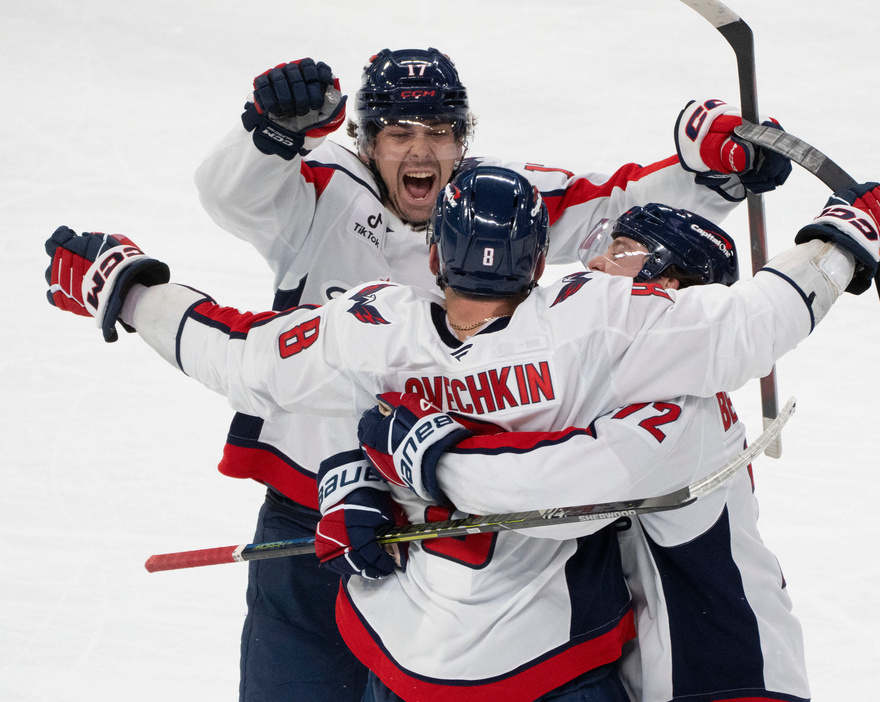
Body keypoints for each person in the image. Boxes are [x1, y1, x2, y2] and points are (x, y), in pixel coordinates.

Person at [44, 161, 880, 700]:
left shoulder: (656, 384)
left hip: (713, 674)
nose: (610, 262)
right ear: (540, 263)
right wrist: (841, 242)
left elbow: (550, 496)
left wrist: (127, 290)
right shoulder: (600, 332)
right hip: (557, 663)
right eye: (607, 252)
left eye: (636, 259)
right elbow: (759, 319)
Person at [192, 47, 793, 700]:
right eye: (399, 133)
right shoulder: (317, 189)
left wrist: (711, 176)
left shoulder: (491, 204)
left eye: (440, 131)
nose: (421, 153)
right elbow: (230, 194)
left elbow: (613, 211)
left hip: (428, 516)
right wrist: (268, 131)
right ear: (365, 139)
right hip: (306, 514)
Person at [357, 200, 880, 700]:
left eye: (619, 253)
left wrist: (427, 452)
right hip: (647, 676)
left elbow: (551, 494)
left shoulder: (682, 411)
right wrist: (355, 479)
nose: (593, 266)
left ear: (667, 287)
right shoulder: (600, 383)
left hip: (726, 679)